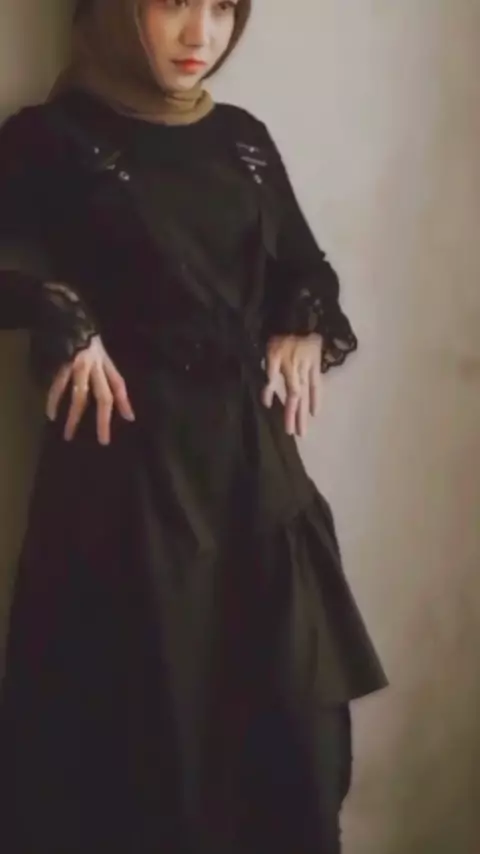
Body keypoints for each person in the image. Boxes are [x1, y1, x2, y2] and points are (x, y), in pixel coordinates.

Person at [0, 1, 387, 852]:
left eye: (222, 7)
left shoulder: (242, 138)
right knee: (146, 744)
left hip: (255, 480)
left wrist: (302, 318)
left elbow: (303, 264)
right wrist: (64, 315)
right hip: (128, 482)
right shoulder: (47, 139)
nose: (200, 36)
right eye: (174, 1)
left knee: (290, 743)